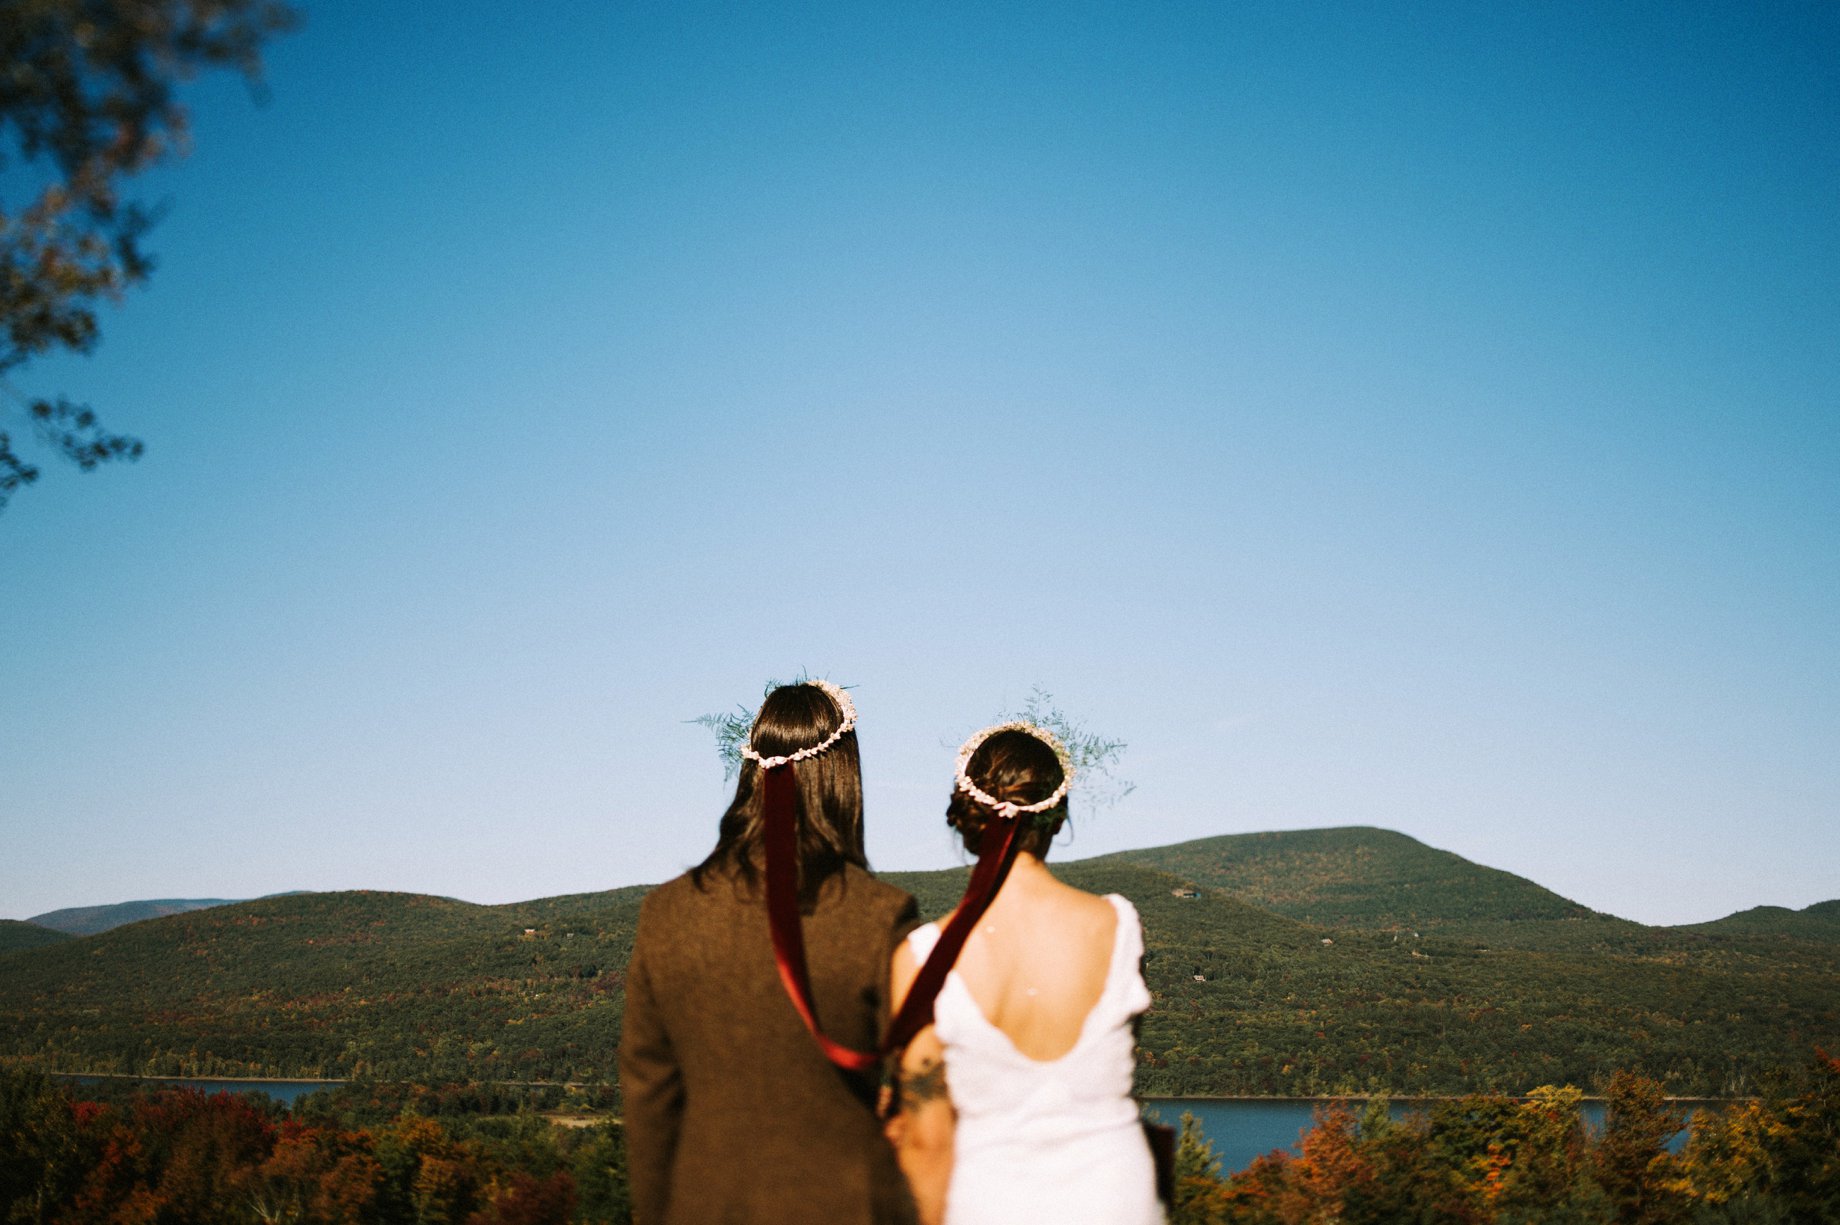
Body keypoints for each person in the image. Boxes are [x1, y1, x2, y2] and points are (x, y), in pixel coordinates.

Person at [619, 680, 920, 1224]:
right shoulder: (882, 917)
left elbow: (649, 1102)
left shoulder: (665, 915)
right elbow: (915, 1109)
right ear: (844, 777)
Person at [888, 723, 1163, 1225]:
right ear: (1057, 818)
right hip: (1117, 1197)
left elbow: (927, 1139)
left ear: (966, 821)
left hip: (989, 1202)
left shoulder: (923, 958)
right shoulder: (1119, 926)